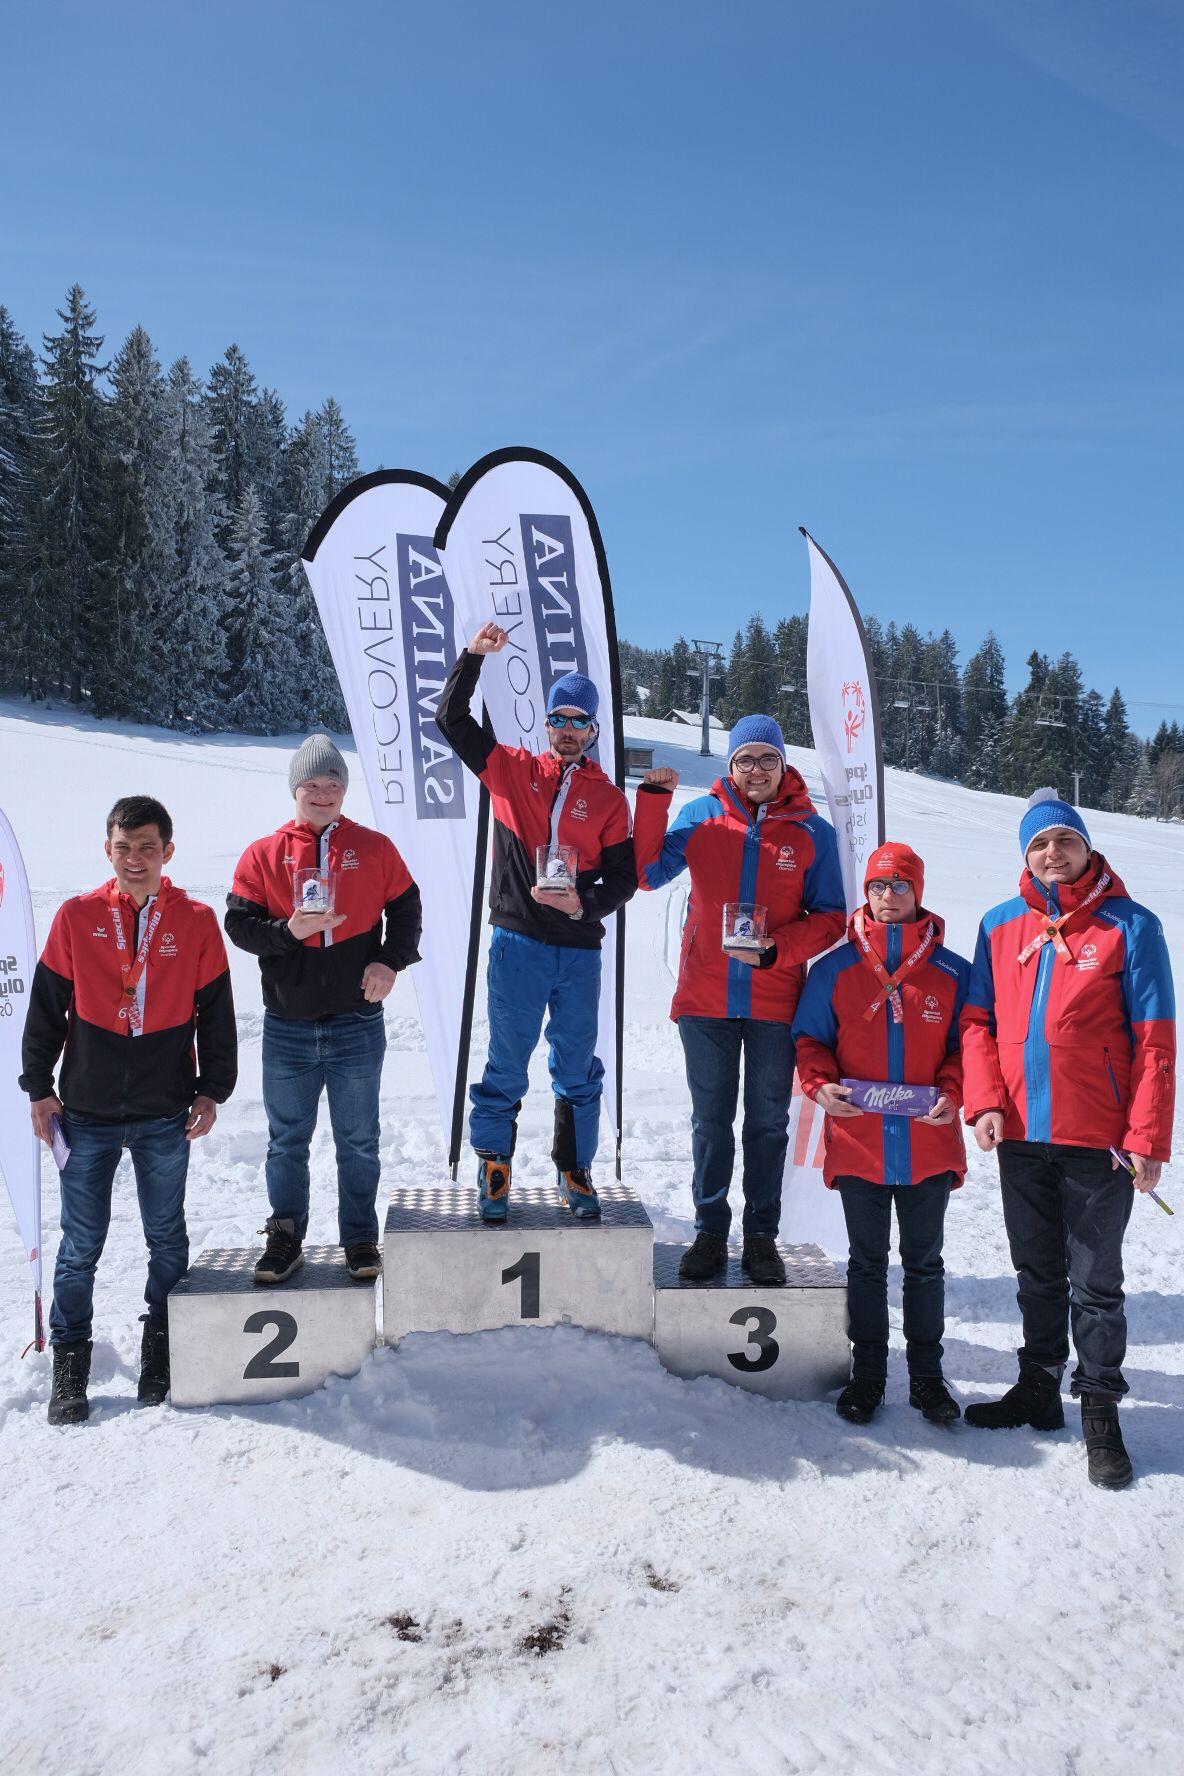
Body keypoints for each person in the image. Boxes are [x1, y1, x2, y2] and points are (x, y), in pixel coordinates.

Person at [960, 788, 1175, 1489]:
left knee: (1096, 1283)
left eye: (1065, 841)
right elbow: (977, 1025)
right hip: (1021, 1134)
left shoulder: (1130, 925)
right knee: (1036, 1272)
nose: (1054, 853)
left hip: (1100, 1141)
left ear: (1087, 848)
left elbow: (1155, 1041)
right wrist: (985, 1102)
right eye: (1039, 844)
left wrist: (1147, 1137)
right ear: (1025, 856)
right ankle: (1037, 1388)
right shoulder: (999, 925)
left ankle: (1101, 1411)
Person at [20, 795, 237, 1423]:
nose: (134, 858)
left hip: (164, 1111)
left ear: (168, 851)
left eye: (147, 847)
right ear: (107, 850)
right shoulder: (77, 916)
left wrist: (212, 1088)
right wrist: (38, 1087)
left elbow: (216, 1014)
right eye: (123, 847)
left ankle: (161, 1353)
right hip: (85, 1111)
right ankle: (70, 1367)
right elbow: (46, 1008)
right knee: (80, 1245)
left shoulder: (196, 921)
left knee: (166, 1237)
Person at [634, 716, 846, 1284]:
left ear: (783, 765)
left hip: (777, 1002)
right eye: (745, 760)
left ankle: (760, 1238)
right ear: (731, 766)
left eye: (767, 759)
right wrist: (652, 801)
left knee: (768, 1125)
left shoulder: (811, 831)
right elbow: (649, 874)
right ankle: (709, 1232)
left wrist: (779, 949)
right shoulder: (701, 814)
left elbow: (832, 917)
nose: (756, 770)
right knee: (711, 1122)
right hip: (705, 999)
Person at [435, 624, 636, 1222]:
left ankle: (574, 1169)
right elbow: (451, 719)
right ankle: (494, 1166)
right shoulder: (511, 769)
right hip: (518, 942)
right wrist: (472, 657)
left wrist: (583, 906)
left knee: (576, 1065)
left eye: (579, 721)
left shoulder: (610, 799)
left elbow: (622, 878)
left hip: (577, 951)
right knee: (507, 1060)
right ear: (547, 724)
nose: (568, 730)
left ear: (593, 730)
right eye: (559, 719)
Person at [226, 736, 421, 1284]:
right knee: (287, 1141)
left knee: (358, 1140)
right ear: (295, 789)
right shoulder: (263, 853)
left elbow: (408, 907)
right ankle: (286, 1239)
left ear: (343, 790)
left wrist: (389, 962)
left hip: (357, 1021)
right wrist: (288, 932)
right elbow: (238, 926)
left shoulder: (374, 847)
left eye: (332, 784)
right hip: (287, 1025)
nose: (322, 793)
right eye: (311, 784)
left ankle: (359, 1238)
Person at [792, 842, 970, 1423]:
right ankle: (867, 1375)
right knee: (866, 1263)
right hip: (860, 1141)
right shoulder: (835, 968)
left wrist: (951, 1093)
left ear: (918, 891)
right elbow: (811, 1040)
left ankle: (927, 1379)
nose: (887, 895)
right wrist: (819, 1085)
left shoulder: (952, 972)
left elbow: (966, 1048)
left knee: (925, 1264)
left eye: (899, 884)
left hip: (928, 1143)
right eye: (877, 885)